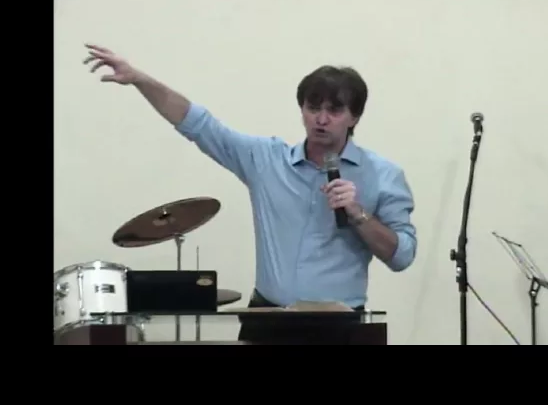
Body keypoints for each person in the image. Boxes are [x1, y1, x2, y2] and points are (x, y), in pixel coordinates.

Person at [82, 43, 417, 344]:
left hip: (339, 327)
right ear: (301, 109)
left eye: (334, 110)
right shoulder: (266, 160)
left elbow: (402, 256)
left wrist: (358, 214)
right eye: (313, 107)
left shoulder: (383, 175)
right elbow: (199, 124)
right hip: (268, 321)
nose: (321, 119)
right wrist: (139, 79)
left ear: (354, 116)